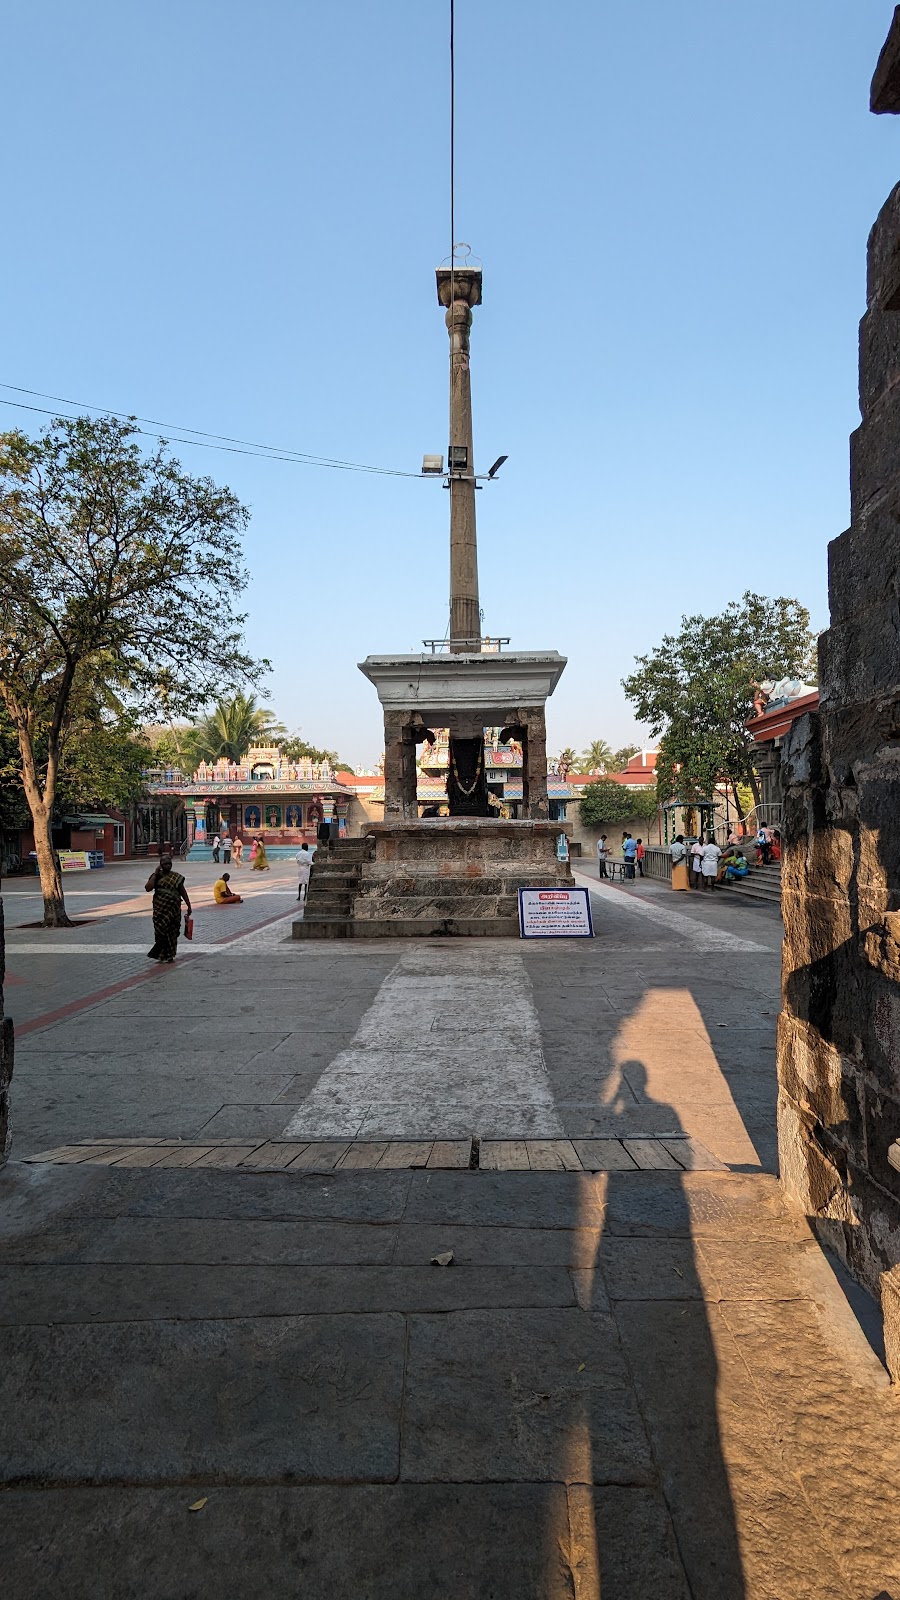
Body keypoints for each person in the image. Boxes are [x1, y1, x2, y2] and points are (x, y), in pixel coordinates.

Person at [145, 855, 192, 962]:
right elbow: (148, 888)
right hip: (160, 910)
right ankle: (161, 955)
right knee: (160, 932)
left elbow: (183, 892)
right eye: (166, 864)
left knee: (172, 932)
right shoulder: (155, 876)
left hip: (174, 910)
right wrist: (156, 874)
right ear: (161, 864)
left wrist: (189, 905)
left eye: (170, 863)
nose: (168, 866)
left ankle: (170, 955)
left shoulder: (176, 877)